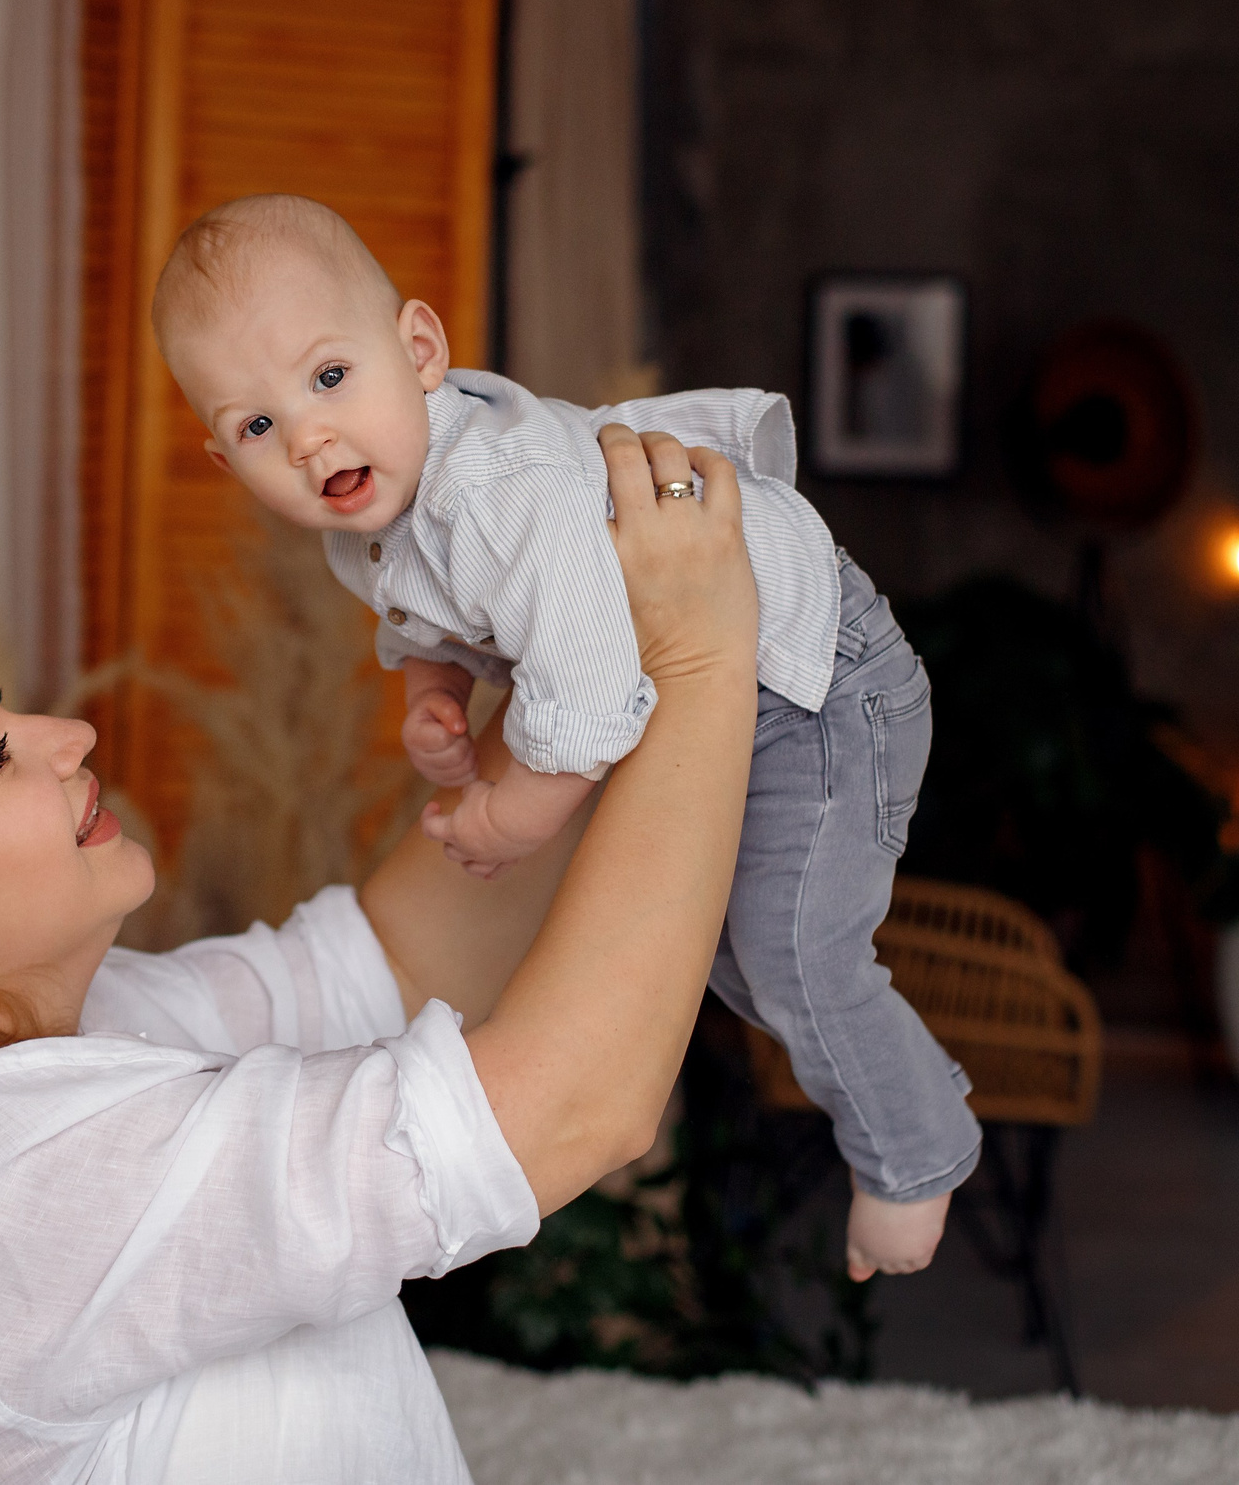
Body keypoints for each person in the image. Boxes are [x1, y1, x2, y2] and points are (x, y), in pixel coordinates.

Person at [0, 426, 760, 1482]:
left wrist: (566, 686)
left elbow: (391, 958)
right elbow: (567, 1114)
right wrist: (703, 660)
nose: (71, 735)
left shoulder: (28, 1051)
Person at [153, 193, 978, 1282]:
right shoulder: (367, 530)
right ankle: (905, 1103)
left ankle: (915, 1156)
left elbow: (586, 699)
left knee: (790, 952)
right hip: (736, 679)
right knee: (726, 954)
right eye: (256, 427)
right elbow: (431, 616)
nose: (307, 438)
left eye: (328, 378)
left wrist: (512, 815)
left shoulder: (496, 489)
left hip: (815, 683)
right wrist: (436, 694)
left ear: (418, 349)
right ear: (225, 461)